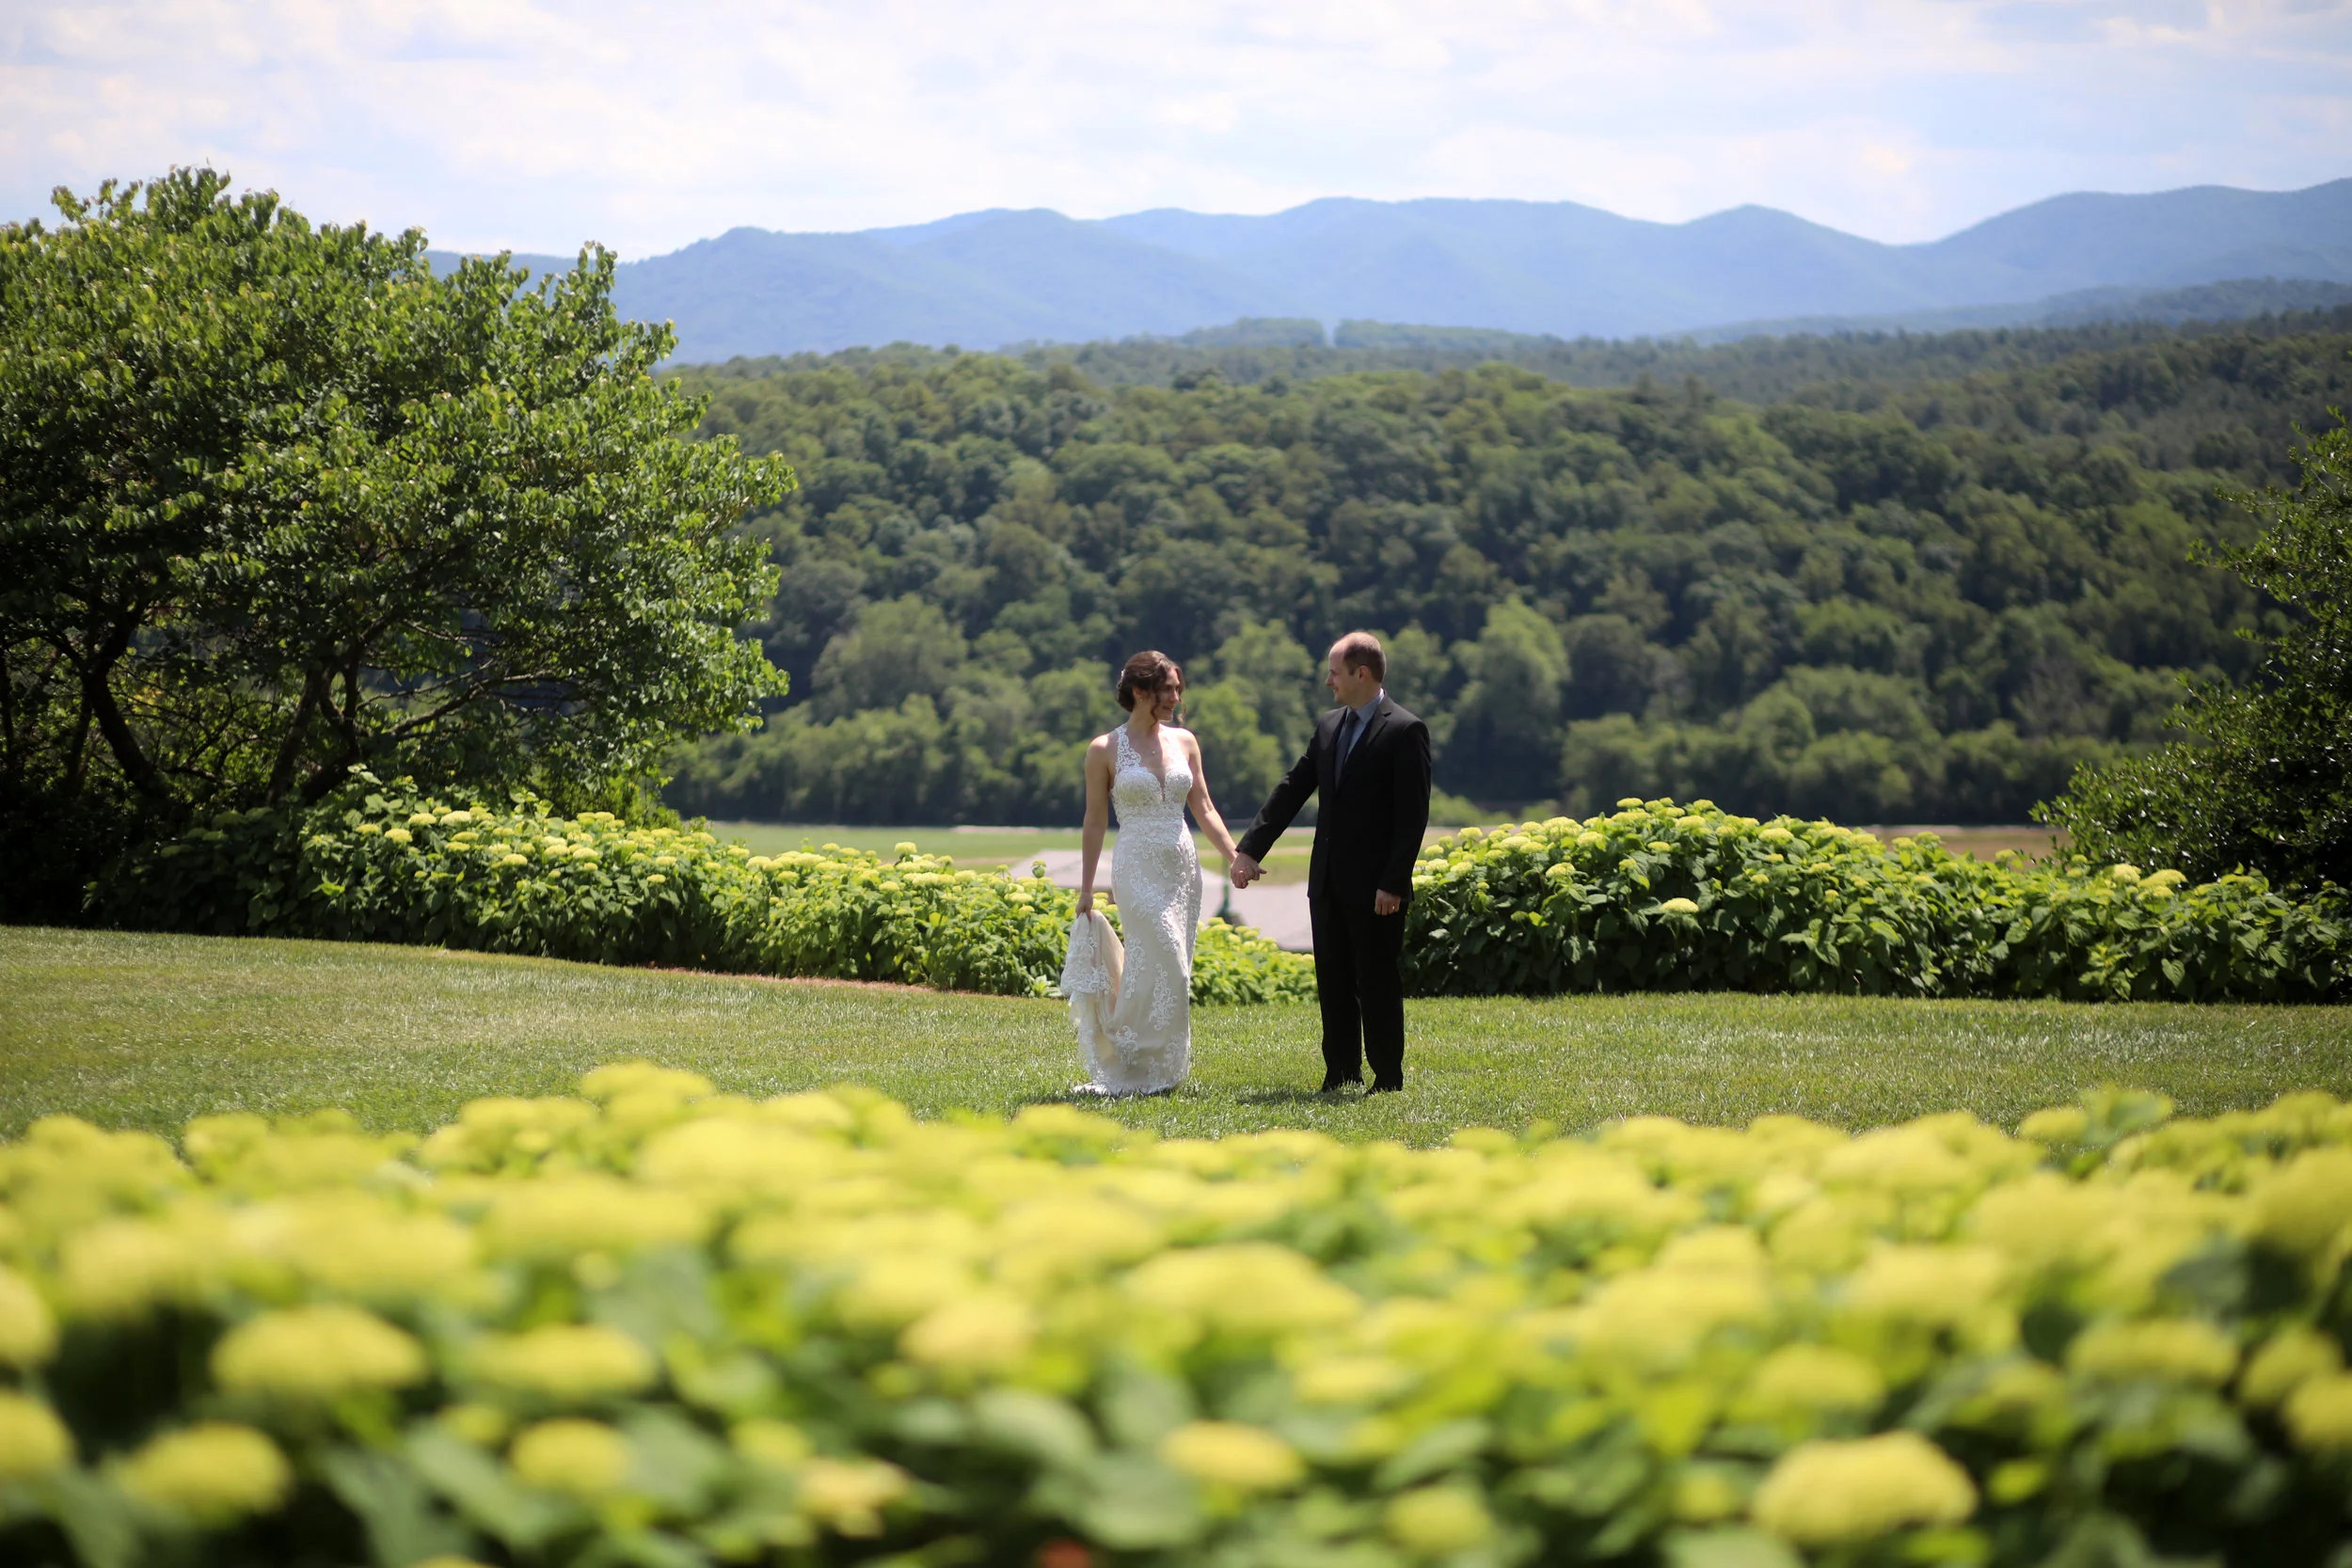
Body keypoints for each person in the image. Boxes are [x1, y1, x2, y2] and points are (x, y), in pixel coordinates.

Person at [1231, 632, 1432, 1093]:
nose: (1328, 681)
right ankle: (1340, 1070)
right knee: (1334, 980)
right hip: (1326, 883)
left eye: (1334, 673)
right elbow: (1293, 788)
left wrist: (1393, 883)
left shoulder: (1405, 730)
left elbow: (1412, 818)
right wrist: (1250, 849)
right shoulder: (1327, 727)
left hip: (1378, 888)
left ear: (1361, 674)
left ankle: (1387, 1076)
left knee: (1376, 979)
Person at [1058, 650, 1245, 1095]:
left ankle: (1162, 1067)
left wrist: (1235, 854)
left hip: (1180, 867)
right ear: (1139, 693)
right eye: (1166, 690)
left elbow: (1203, 806)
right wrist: (1087, 888)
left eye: (1178, 689)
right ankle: (1135, 1059)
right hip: (1136, 865)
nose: (1175, 699)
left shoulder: (1186, 742)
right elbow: (1095, 820)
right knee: (1169, 961)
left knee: (1170, 965)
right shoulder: (1104, 750)